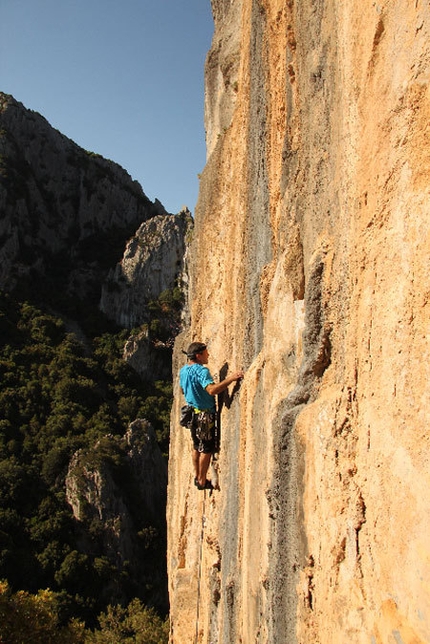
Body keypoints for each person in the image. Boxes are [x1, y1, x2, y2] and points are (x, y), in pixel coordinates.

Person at [180, 342, 244, 490]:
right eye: (206, 352)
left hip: (192, 414)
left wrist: (194, 395)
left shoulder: (183, 371)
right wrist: (231, 379)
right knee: (206, 449)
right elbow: (212, 390)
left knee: (196, 446)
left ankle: (197, 475)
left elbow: (183, 390)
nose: (208, 355)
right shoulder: (202, 371)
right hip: (205, 415)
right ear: (198, 355)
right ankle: (202, 481)